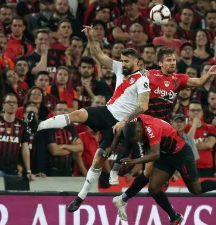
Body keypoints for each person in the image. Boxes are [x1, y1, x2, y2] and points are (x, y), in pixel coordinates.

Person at [37, 38, 151, 212]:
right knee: (77, 114)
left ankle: (80, 197)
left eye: (127, 61)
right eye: (122, 60)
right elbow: (98, 54)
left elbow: (143, 106)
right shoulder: (120, 68)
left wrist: (125, 120)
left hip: (120, 123)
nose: (123, 63)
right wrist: (90, 38)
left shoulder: (142, 80)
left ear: (136, 61)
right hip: (106, 111)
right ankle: (39, 125)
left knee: (98, 159)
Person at [109, 47, 216, 184]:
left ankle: (132, 193)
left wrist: (209, 73)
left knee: (149, 170)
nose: (172, 63)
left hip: (162, 128)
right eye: (168, 60)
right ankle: (114, 171)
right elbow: (130, 82)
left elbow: (199, 82)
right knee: (129, 136)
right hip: (145, 123)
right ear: (160, 63)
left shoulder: (179, 79)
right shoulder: (149, 75)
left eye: (174, 60)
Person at [114, 114, 216, 225]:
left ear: (140, 130)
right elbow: (129, 143)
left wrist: (134, 161)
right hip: (166, 155)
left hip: (181, 154)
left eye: (138, 138)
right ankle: (174, 216)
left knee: (196, 189)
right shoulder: (135, 124)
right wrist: (116, 165)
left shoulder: (152, 128)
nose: (139, 141)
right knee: (153, 187)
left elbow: (155, 154)